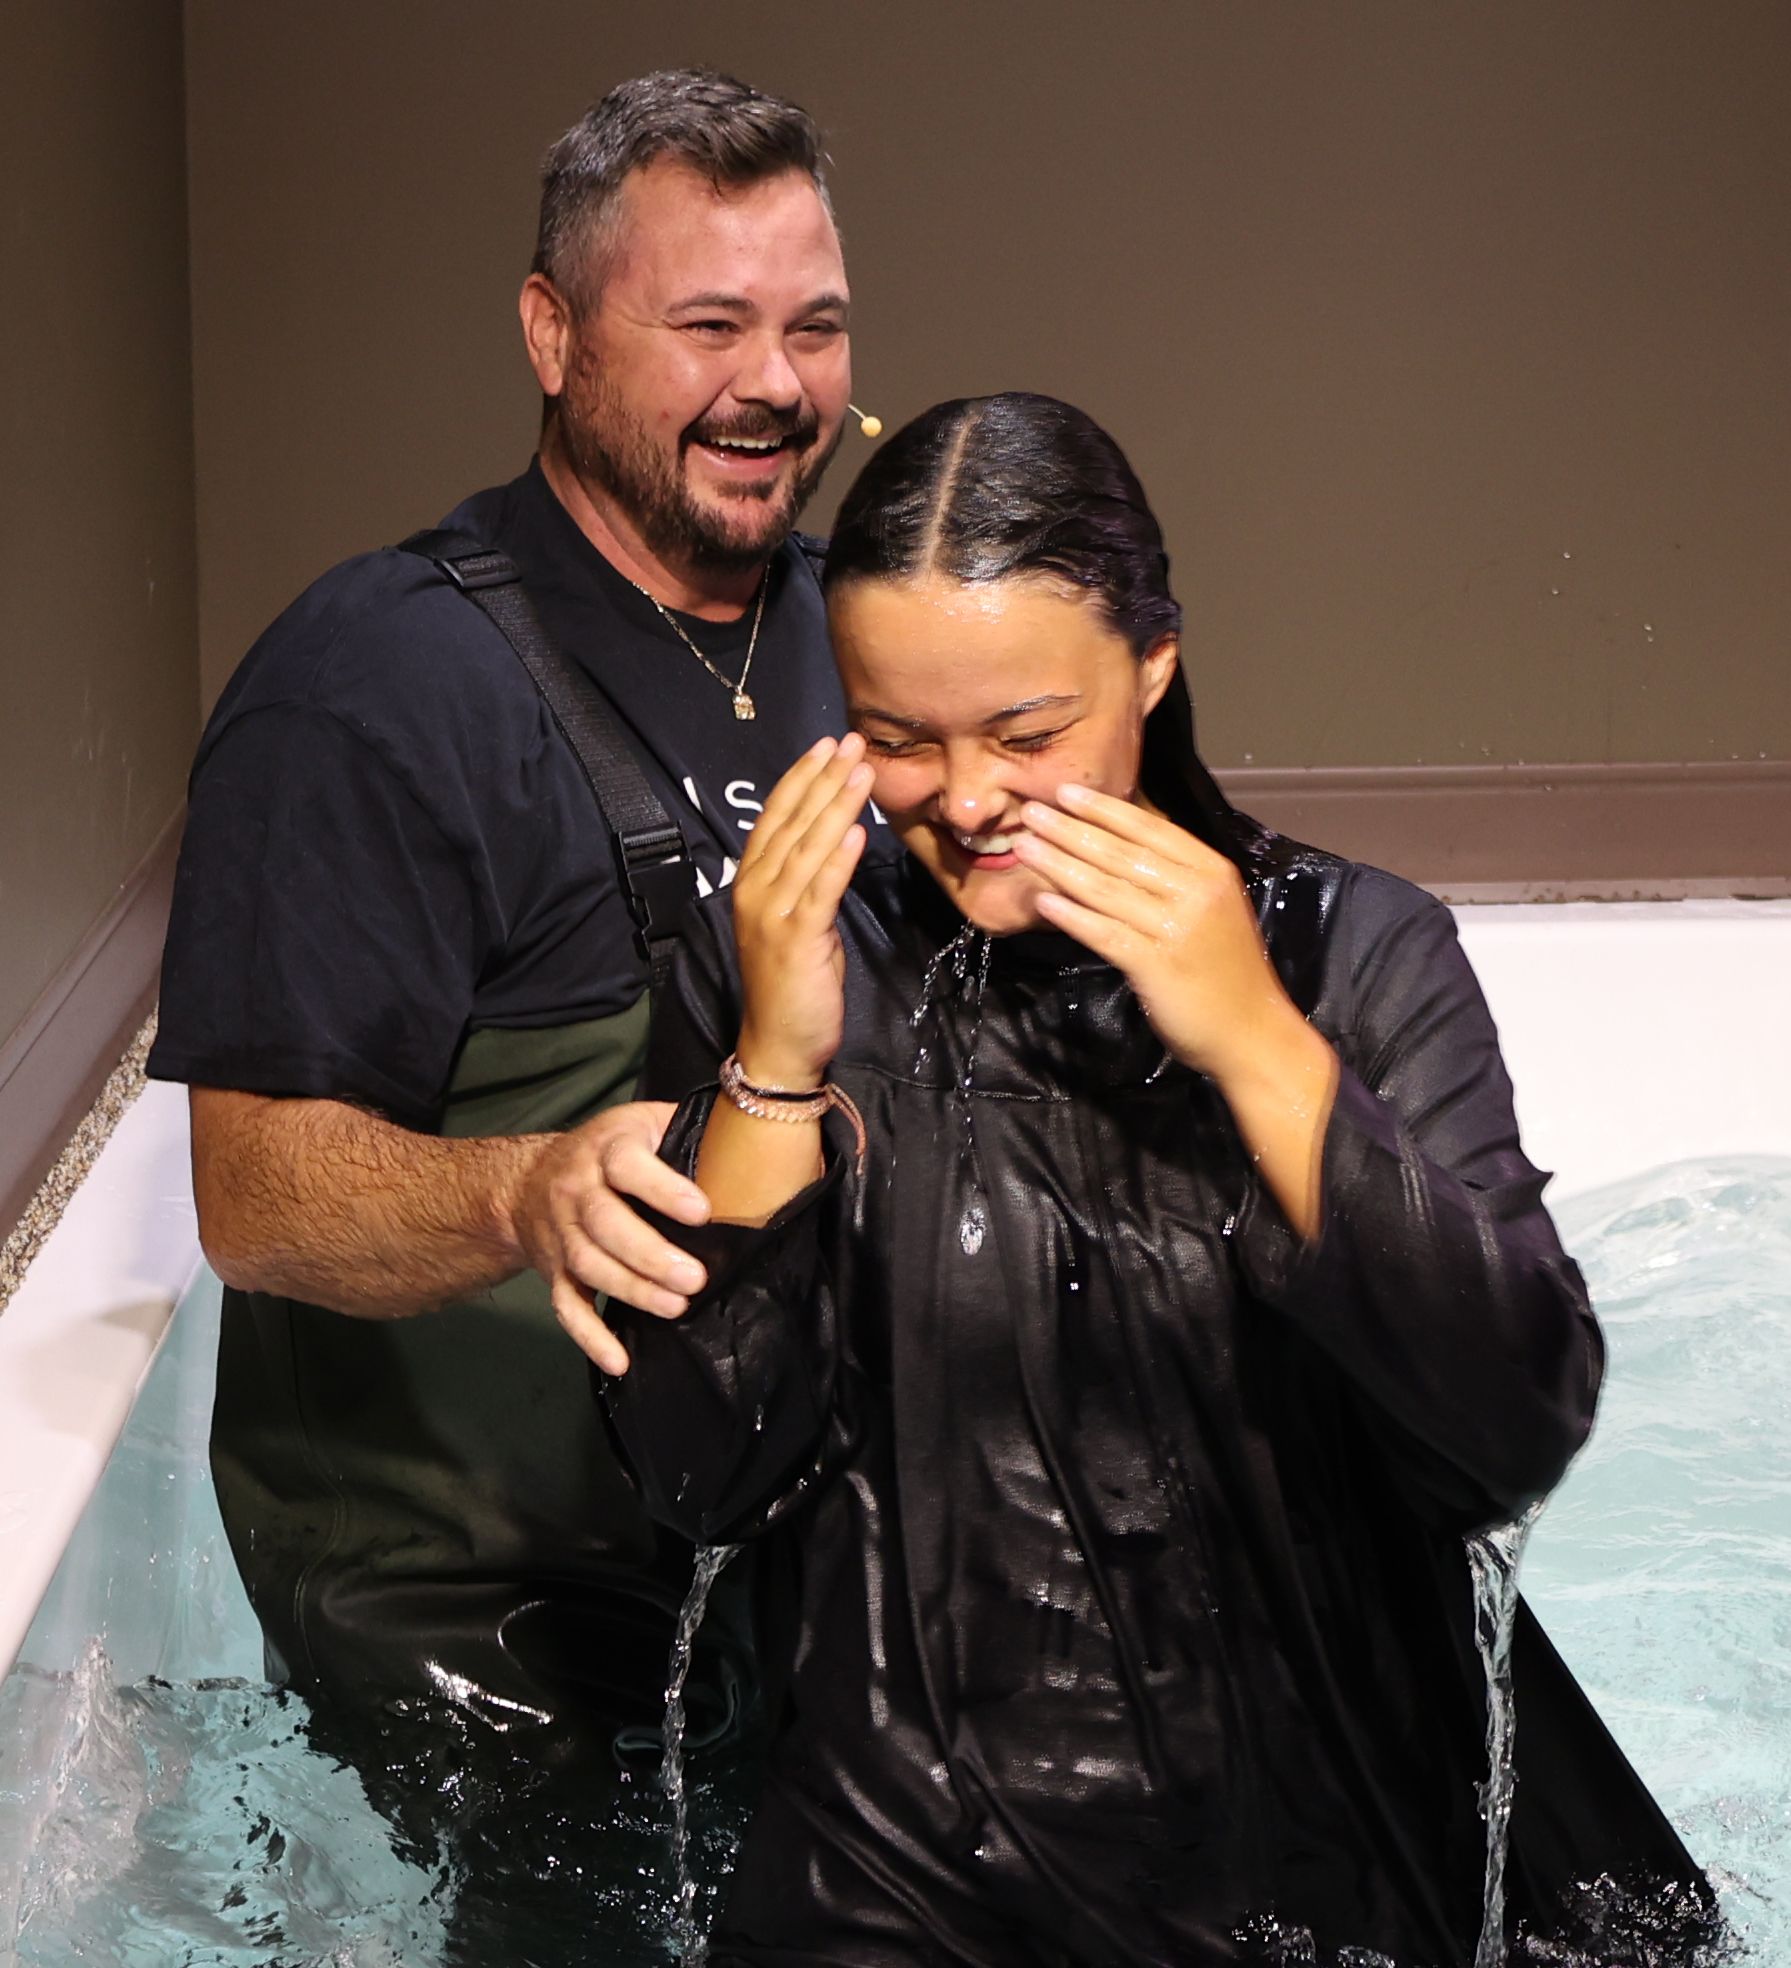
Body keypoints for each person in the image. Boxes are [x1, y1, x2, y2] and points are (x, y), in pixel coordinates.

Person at [602, 394, 1727, 1965]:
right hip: (896, 1870)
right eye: (900, 738)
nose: (969, 797)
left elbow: (1510, 1433)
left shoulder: (1358, 955)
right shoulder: (795, 967)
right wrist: (777, 1060)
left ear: (1152, 664)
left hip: (1308, 1846)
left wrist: (1262, 1044)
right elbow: (692, 1478)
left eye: (1025, 733)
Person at [146, 67, 874, 1946]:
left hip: (781, 1521)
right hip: (484, 1586)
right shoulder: (371, 692)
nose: (774, 383)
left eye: (812, 326)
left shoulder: (868, 640)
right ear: (552, 335)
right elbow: (255, 1200)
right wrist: (519, 1190)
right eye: (706, 324)